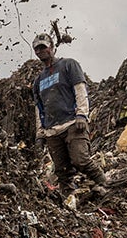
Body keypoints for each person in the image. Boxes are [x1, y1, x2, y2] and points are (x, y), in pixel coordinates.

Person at [32, 37, 98, 191]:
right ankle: (69, 197)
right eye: (37, 49)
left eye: (43, 47)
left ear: (52, 47)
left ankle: (106, 184)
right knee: (62, 172)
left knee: (81, 160)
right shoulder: (38, 81)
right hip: (52, 131)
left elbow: (80, 89)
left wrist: (81, 114)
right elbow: (39, 109)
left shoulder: (68, 65)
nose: (40, 51)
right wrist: (40, 134)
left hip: (72, 123)